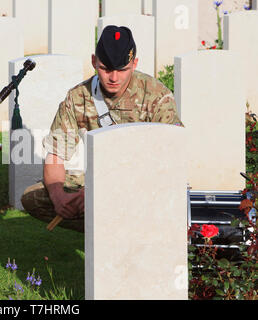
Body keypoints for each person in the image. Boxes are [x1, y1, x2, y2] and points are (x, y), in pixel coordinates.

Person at [21, 25, 184, 233]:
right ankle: (106, 230)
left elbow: (169, 159)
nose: (114, 78)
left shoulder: (156, 96)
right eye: (106, 68)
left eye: (122, 70)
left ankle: (124, 226)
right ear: (94, 61)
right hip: (101, 179)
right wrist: (59, 197)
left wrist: (101, 192)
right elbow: (55, 155)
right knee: (35, 197)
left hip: (144, 182)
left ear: (134, 64)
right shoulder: (78, 97)